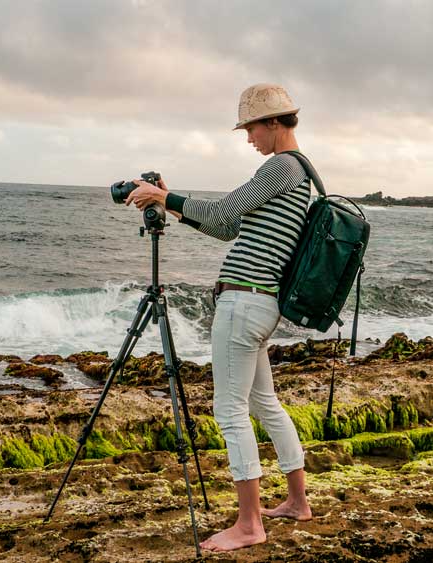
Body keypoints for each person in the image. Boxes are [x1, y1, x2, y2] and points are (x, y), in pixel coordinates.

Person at [125, 83, 314, 552]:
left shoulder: (281, 166)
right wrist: (169, 200)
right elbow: (227, 226)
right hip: (261, 302)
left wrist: (163, 199)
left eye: (251, 127)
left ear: (273, 123)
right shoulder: (300, 172)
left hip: (244, 303)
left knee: (228, 412)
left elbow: (223, 210)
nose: (249, 138)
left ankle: (249, 524)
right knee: (264, 404)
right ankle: (297, 502)